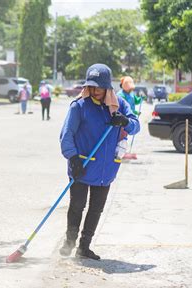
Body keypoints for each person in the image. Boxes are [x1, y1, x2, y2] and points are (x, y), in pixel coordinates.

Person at [59, 64, 140, 260]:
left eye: (99, 87)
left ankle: (84, 247)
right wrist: (73, 157)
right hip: (82, 166)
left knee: (96, 208)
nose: (95, 91)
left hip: (105, 169)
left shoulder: (118, 105)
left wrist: (124, 122)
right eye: (92, 87)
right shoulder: (79, 106)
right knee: (77, 205)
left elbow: (135, 126)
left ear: (108, 88)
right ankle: (69, 241)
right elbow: (66, 134)